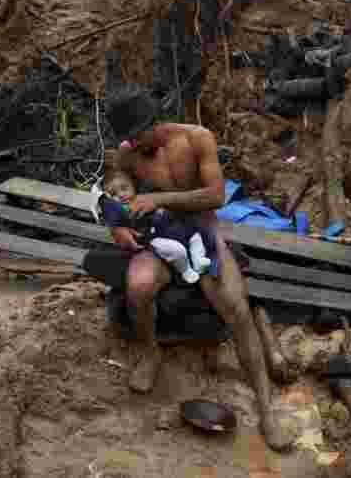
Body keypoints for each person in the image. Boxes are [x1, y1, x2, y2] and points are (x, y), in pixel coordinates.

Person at [103, 85, 293, 451]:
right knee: (138, 286)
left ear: (153, 123)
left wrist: (157, 197)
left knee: (236, 310)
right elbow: (115, 198)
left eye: (136, 135)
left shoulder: (196, 139)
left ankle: (267, 411)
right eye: (125, 138)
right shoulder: (127, 156)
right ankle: (150, 349)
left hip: (201, 233)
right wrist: (120, 229)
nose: (131, 144)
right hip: (159, 235)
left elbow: (216, 195)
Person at [99, 169, 213, 284]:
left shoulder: (145, 193)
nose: (121, 195)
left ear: (133, 185)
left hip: (173, 228)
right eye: (114, 194)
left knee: (195, 237)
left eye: (124, 188)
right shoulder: (121, 209)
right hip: (155, 237)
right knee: (177, 250)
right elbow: (112, 217)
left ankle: (198, 260)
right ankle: (185, 270)